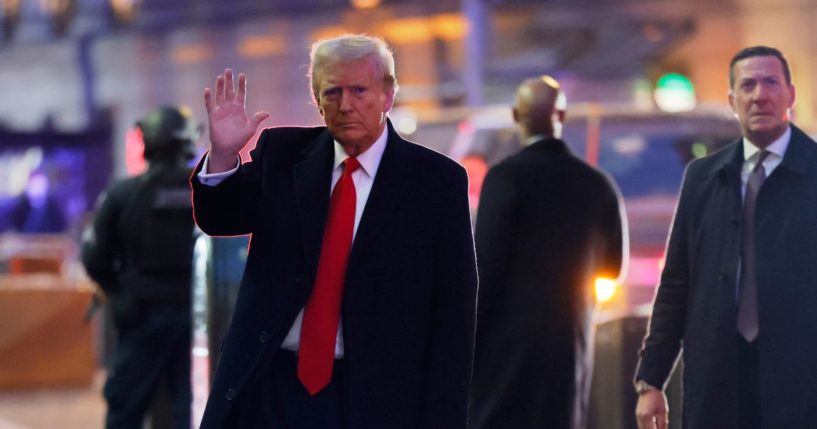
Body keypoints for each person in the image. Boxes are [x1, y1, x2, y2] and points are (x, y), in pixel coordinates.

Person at [191, 34, 478, 429]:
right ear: (316, 98)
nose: (346, 105)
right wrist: (224, 155)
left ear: (388, 96)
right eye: (332, 92)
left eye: (360, 90)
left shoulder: (436, 183)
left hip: (377, 398)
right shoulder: (284, 155)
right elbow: (220, 218)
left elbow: (454, 316)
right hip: (274, 388)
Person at [634, 46, 817, 429]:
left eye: (770, 82)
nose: (759, 95)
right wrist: (651, 380)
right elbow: (677, 282)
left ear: (791, 95)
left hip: (799, 382)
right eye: (747, 85)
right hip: (717, 377)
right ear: (733, 101)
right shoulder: (703, 177)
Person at [468, 75, 627, 429]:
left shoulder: (504, 179)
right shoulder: (597, 185)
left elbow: (484, 269)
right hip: (568, 348)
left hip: (504, 354)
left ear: (515, 115)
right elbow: (613, 268)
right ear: (563, 115)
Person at [82, 105, 199, 429]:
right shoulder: (204, 192)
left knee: (126, 405)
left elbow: (94, 255)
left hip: (140, 314)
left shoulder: (123, 194)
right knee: (188, 404)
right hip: (194, 317)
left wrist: (117, 291)